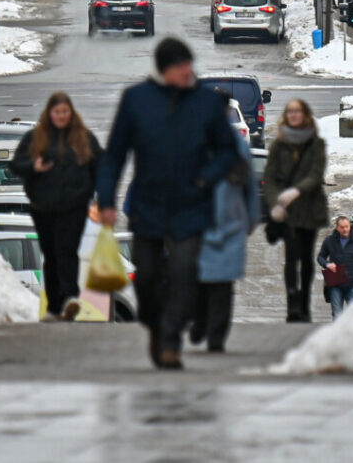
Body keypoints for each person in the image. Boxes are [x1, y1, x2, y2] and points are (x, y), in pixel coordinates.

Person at [96, 38, 238, 369]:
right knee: (145, 277)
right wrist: (106, 201)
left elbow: (228, 150)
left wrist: (206, 178)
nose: (188, 71)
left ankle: (170, 341)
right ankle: (155, 326)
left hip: (191, 207)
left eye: (189, 64)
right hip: (148, 207)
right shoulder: (137, 100)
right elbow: (115, 155)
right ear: (164, 70)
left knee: (183, 273)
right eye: (180, 66)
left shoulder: (205, 102)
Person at [12, 93, 103, 321]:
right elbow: (16, 165)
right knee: (51, 254)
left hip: (74, 206)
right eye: (57, 112)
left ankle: (70, 297)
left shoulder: (84, 138)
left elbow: (101, 166)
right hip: (43, 207)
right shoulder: (35, 138)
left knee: (66, 249)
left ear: (71, 113)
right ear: (49, 113)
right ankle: (54, 306)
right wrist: (34, 167)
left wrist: (101, 195)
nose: (61, 116)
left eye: (65, 112)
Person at [190, 120, 260, 353]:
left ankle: (216, 336)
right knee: (200, 282)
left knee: (223, 284)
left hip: (231, 225)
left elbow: (250, 187)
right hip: (198, 225)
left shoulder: (237, 145)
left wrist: (251, 218)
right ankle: (200, 321)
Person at [263, 98, 328, 322]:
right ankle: (293, 304)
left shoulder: (316, 143)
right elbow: (270, 177)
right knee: (291, 256)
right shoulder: (279, 145)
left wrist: (296, 191)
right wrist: (276, 203)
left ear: (305, 114)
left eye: (297, 111)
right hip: (287, 210)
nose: (293, 115)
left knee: (307, 256)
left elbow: (316, 175)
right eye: (290, 111)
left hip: (309, 207)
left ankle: (305, 301)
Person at [316, 215, 353, 318]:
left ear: (350, 226)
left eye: (346, 226)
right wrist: (326, 264)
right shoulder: (330, 240)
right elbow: (320, 257)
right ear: (337, 228)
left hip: (352, 284)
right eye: (342, 227)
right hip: (335, 284)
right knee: (337, 315)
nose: (345, 230)